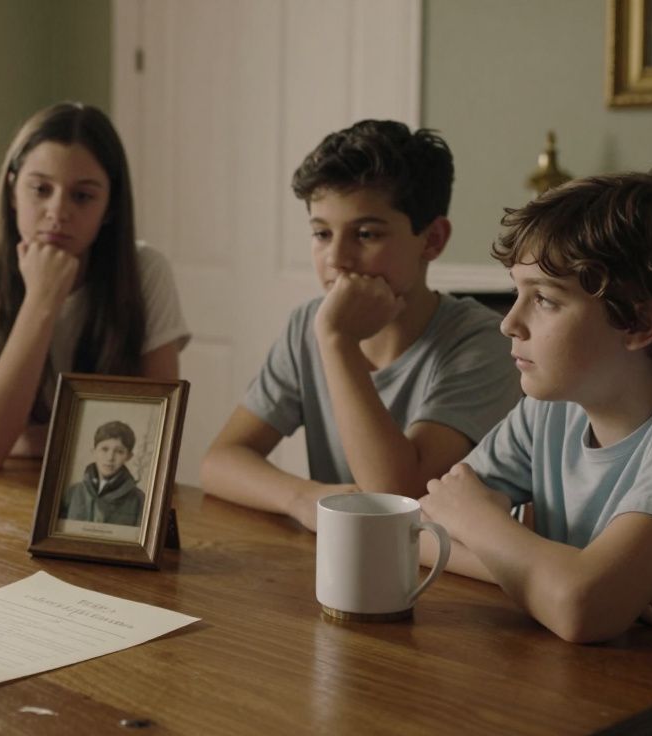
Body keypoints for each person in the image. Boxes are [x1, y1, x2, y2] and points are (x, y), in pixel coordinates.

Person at [420, 170, 652, 643]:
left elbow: (584, 610)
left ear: (639, 322)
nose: (509, 323)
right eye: (517, 292)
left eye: (544, 299)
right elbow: (421, 532)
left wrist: (478, 521)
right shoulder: (550, 410)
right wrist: (574, 575)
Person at [200, 120, 519, 530]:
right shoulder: (307, 325)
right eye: (321, 233)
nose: (336, 258)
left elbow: (397, 495)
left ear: (432, 239)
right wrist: (304, 498)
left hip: (438, 561)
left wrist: (338, 342)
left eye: (365, 234)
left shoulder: (482, 342)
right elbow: (220, 460)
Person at [0, 102, 189, 470]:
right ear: (13, 191)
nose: (57, 211)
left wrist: (32, 439)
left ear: (110, 206)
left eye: (82, 196)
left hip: (109, 492)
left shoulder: (145, 271)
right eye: (40, 189)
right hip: (5, 489)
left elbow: (157, 434)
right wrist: (41, 299)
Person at [59, 420, 146, 526]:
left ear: (128, 456)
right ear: (94, 451)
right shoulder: (72, 493)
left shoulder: (139, 500)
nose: (110, 458)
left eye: (119, 451)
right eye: (104, 449)